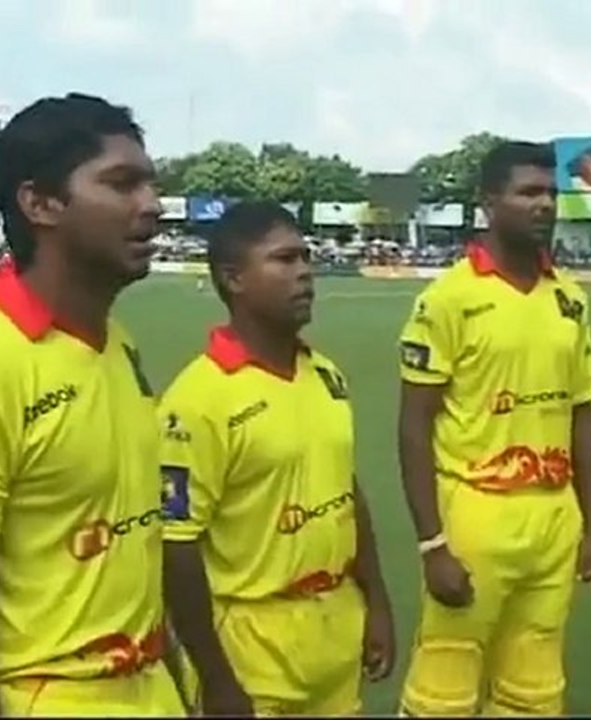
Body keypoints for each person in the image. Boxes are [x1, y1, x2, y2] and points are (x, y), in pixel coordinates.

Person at [0, 93, 186, 717]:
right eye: (121, 184)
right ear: (41, 203)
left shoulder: (116, 345)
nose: (152, 206)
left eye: (150, 184)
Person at [397, 141, 591, 716]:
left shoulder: (570, 298)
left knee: (534, 687)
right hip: (478, 511)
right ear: (489, 201)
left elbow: (581, 415)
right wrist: (432, 543)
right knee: (446, 684)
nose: (544, 204)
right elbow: (414, 425)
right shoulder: (448, 299)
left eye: (551, 193)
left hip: (553, 515)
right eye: (528, 192)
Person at [160, 201, 395, 716]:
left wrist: (376, 602)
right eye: (284, 260)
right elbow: (176, 549)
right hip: (251, 645)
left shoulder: (326, 374)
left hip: (334, 630)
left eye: (305, 258)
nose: (305, 272)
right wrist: (215, 677)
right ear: (234, 279)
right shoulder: (197, 399)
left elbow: (346, 491)